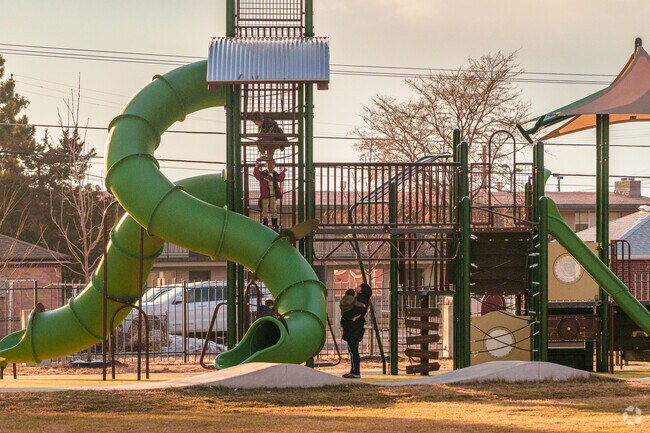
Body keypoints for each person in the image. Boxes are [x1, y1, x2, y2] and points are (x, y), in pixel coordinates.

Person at [340, 283, 372, 379]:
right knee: (352, 350)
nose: (357, 287)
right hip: (354, 327)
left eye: (359, 286)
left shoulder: (361, 300)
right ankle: (353, 370)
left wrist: (345, 315)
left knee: (353, 350)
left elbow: (356, 312)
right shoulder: (359, 299)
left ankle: (356, 372)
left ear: (362, 290)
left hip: (354, 327)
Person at [253, 159, 286, 231]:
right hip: (265, 195)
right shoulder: (264, 173)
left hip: (273, 195)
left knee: (273, 209)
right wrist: (256, 167)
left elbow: (280, 178)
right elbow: (257, 175)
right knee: (265, 209)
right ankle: (265, 224)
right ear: (266, 165)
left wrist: (283, 172)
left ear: (274, 166)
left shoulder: (274, 173)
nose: (270, 166)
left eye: (272, 164)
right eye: (268, 164)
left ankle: (274, 224)